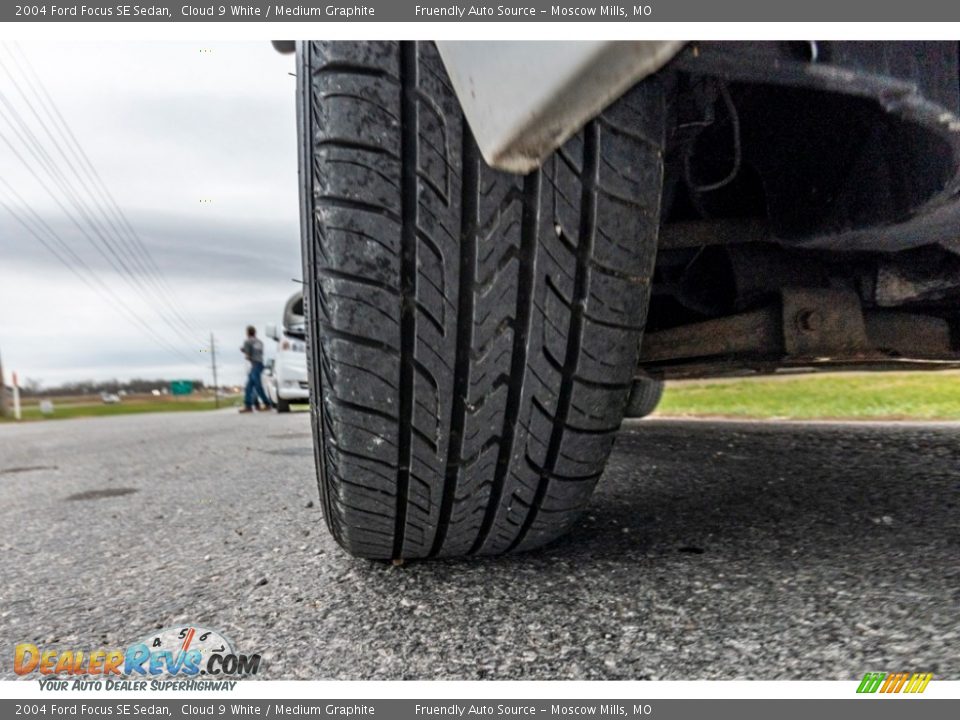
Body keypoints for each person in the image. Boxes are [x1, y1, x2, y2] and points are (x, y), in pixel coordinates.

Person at [240, 325, 273, 413]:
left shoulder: (247, 341)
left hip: (254, 365)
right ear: (255, 332)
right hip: (260, 364)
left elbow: (248, 355)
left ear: (247, 333)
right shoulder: (260, 342)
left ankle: (267, 404)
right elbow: (259, 352)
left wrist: (244, 350)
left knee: (257, 386)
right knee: (249, 387)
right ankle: (248, 405)